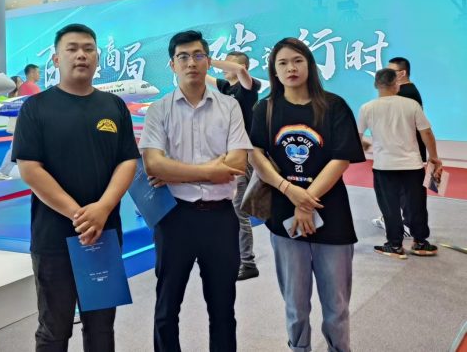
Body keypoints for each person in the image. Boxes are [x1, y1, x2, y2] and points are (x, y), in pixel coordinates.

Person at [12, 24, 140, 352]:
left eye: (88, 48)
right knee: (54, 329)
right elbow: (30, 169)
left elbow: (128, 161)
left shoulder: (114, 106)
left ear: (97, 57)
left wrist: (103, 208)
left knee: (101, 329)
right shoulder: (36, 108)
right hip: (53, 239)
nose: (81, 55)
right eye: (71, 49)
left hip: (104, 236)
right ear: (56, 59)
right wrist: (80, 215)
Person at [249, 37, 365, 352]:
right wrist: (289, 190)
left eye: (298, 60)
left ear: (310, 65)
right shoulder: (265, 108)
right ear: (274, 70)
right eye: (283, 63)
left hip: (332, 216)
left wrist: (306, 200)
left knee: (336, 304)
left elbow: (340, 158)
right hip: (284, 217)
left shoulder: (333, 105)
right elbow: (256, 154)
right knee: (295, 303)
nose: (291, 68)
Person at [140, 30, 252, 352]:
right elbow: (153, 165)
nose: (192, 62)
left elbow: (237, 163)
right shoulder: (159, 110)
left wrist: (176, 171)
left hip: (220, 219)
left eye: (198, 55)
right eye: (183, 57)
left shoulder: (229, 107)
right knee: (167, 307)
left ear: (208, 61)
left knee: (223, 309)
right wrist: (209, 172)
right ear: (172, 64)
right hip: (174, 218)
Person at [358, 68, 441, 259]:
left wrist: (366, 145)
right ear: (396, 84)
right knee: (416, 204)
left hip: (384, 166)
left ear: (376, 85)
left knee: (390, 207)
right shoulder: (411, 105)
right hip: (412, 166)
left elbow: (357, 137)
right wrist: (434, 157)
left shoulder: (367, 108)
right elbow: (426, 132)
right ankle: (420, 242)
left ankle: (395, 245)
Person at [206, 51, 261, 281]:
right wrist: (194, 63)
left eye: (229, 64)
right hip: (231, 155)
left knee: (239, 211)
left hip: (245, 157)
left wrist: (206, 60)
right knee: (230, 208)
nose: (223, 68)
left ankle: (247, 262)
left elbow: (239, 71)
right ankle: (236, 256)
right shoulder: (227, 87)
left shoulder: (248, 88)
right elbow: (206, 77)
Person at [371, 56, 426, 236]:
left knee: (403, 191)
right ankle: (404, 224)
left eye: (391, 72)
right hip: (406, 151)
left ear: (402, 73)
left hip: (405, 152)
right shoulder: (408, 91)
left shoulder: (404, 94)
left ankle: (406, 225)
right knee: (404, 190)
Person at [0, 74, 38, 180]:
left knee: (21, 149)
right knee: (14, 150)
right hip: (19, 126)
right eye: (19, 82)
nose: (22, 83)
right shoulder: (16, 97)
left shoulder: (17, 96)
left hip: (23, 126)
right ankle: (3, 172)